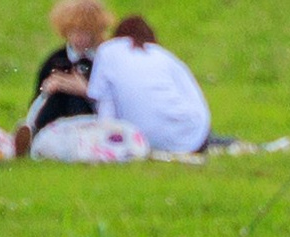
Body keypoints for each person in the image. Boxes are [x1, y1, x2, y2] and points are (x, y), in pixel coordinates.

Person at [80, 14, 212, 155]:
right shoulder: (164, 56)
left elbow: (103, 102)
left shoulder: (107, 50)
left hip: (140, 139)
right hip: (194, 136)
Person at [11, 0, 111, 157]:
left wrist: (86, 90)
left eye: (85, 32)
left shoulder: (104, 60)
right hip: (54, 120)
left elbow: (112, 103)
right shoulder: (56, 60)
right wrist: (49, 89)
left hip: (90, 121)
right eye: (74, 31)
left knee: (76, 97)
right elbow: (37, 98)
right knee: (57, 95)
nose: (79, 38)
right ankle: (30, 136)